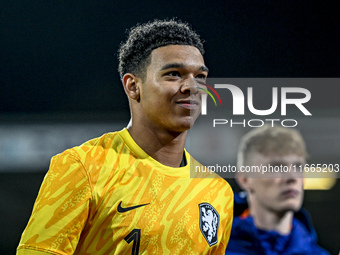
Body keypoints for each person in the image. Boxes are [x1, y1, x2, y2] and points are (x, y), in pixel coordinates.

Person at [17, 19, 234, 255]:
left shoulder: (217, 190)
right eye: (174, 74)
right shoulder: (83, 168)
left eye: (200, 77)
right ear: (132, 86)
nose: (192, 87)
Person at [225, 126, 330, 255]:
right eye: (276, 167)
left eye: (298, 167)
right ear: (245, 179)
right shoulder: (213, 249)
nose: (292, 178)